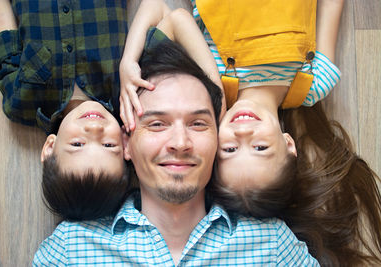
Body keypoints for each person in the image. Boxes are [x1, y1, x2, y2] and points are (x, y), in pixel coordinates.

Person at [120, 0, 381, 265]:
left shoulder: (212, 92)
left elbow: (174, 17)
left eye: (229, 149)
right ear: (289, 145)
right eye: (261, 148)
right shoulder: (315, 84)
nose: (244, 132)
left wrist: (128, 62)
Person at [33, 39, 319, 266]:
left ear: (219, 142)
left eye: (198, 124)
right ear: (126, 143)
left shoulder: (271, 245)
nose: (180, 142)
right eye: (157, 124)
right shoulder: (72, 248)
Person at [0, 0, 130, 220]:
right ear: (127, 146)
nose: (94, 128)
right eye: (108, 145)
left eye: (78, 144)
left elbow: (3, 28)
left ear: (50, 148)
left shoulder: (22, 102)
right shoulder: (127, 92)